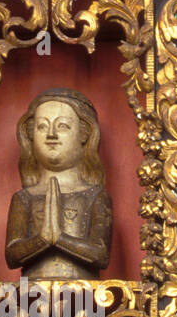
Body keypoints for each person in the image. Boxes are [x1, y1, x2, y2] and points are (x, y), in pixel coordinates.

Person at [6, 88, 112, 279]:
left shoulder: (95, 195)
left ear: (84, 134)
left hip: (86, 295)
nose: (51, 135)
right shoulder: (24, 197)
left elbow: (101, 255)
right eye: (42, 127)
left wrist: (60, 239)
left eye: (62, 126)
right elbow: (12, 255)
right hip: (32, 296)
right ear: (30, 135)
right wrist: (42, 240)